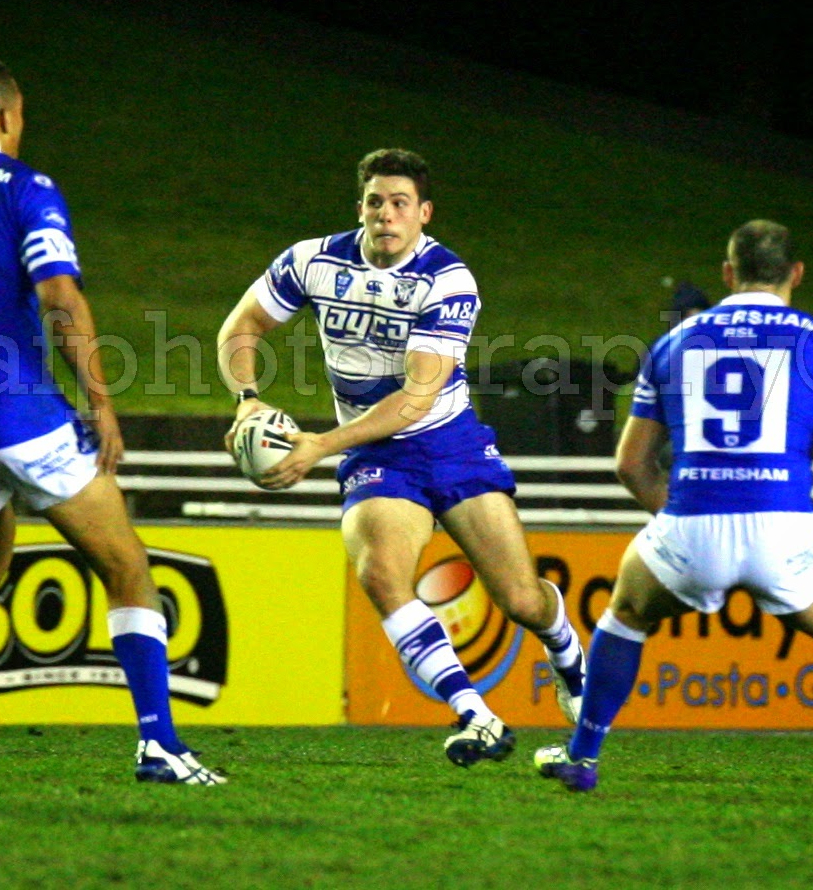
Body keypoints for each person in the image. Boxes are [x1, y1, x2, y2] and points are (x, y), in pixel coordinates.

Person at [0, 56, 223, 787]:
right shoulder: (23, 186)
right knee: (126, 566)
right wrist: (100, 402)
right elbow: (59, 296)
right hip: (16, 412)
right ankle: (160, 745)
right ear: (7, 115)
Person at [533, 220, 813, 801]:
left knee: (627, 613)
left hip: (692, 527)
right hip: (783, 529)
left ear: (728, 273)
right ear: (796, 274)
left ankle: (583, 757)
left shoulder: (674, 342)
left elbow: (631, 464)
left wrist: (682, 516)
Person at [216, 148, 585, 766]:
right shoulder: (312, 261)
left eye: (399, 203)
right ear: (359, 207)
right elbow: (242, 326)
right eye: (375, 202)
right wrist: (247, 401)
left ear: (424, 213)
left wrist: (318, 446)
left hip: (450, 443)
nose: (385, 214)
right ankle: (477, 715)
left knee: (521, 600)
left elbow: (416, 399)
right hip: (377, 454)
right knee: (381, 575)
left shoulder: (448, 279)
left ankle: (566, 649)